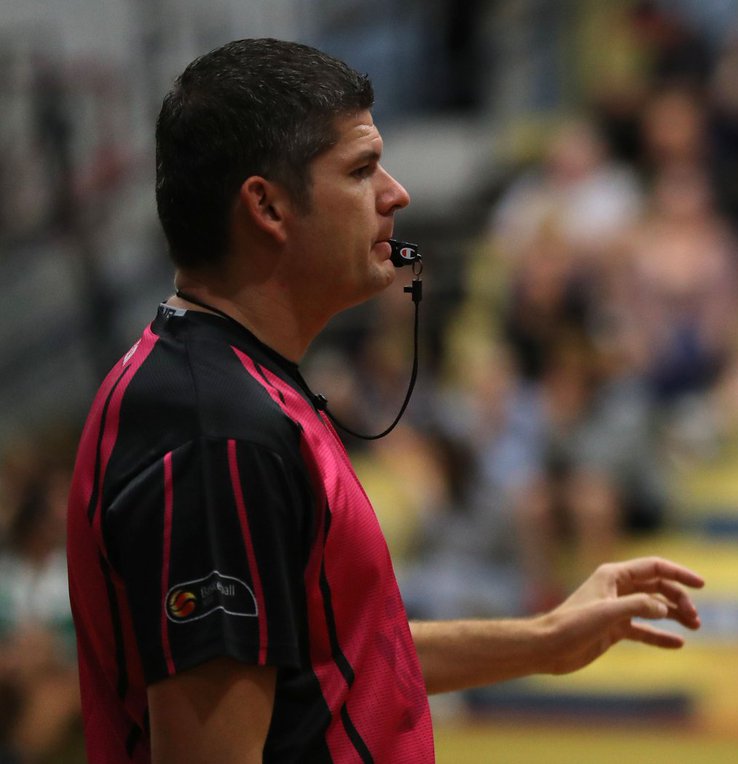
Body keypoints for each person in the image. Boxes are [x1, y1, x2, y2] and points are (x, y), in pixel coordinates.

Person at [65, 38, 704, 763]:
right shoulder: (217, 431)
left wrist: (543, 640)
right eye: (362, 169)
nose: (396, 194)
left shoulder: (236, 388)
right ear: (267, 206)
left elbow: (335, 657)